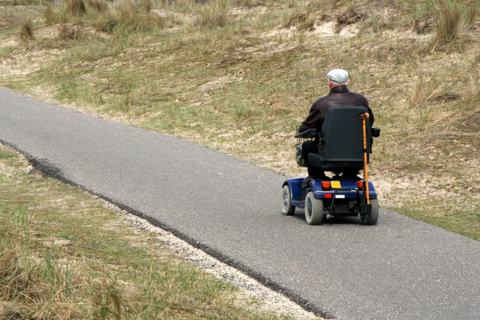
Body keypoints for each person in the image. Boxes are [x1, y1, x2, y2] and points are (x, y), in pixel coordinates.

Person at [299, 69, 374, 181]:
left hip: (327, 153)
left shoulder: (322, 104)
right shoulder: (361, 101)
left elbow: (306, 128)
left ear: (329, 82)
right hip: (357, 153)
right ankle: (350, 175)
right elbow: (369, 123)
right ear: (348, 82)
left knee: (307, 146)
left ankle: (317, 177)